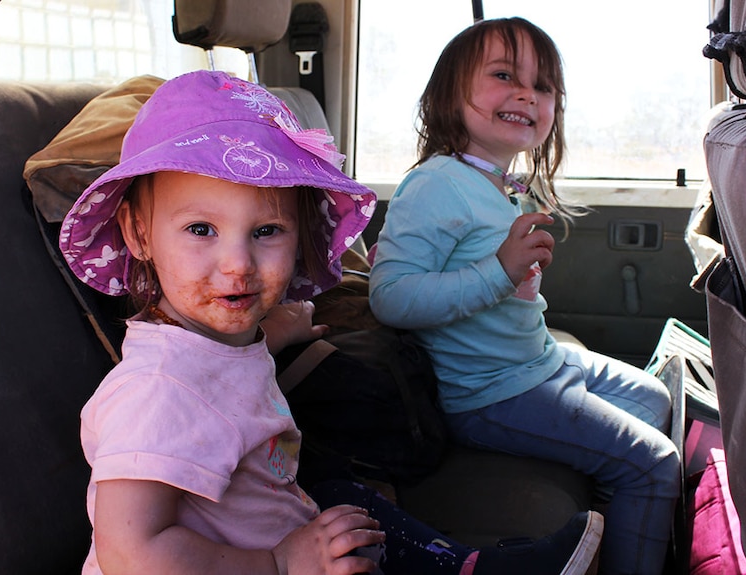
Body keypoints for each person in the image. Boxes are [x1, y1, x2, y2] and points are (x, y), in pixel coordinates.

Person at [60, 70, 603, 575]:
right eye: (201, 229)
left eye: (267, 231)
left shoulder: (206, 340)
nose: (238, 264)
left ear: (300, 236)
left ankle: (463, 564)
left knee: (345, 498)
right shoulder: (156, 393)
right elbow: (132, 552)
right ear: (138, 234)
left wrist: (281, 334)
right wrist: (280, 562)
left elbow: (218, 373)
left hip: (269, 528)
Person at [368, 18, 681, 575]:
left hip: (539, 362)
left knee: (655, 398)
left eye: (542, 86)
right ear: (448, 93)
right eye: (503, 75)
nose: (525, 94)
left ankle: (619, 516)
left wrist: (508, 272)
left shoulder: (495, 182)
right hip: (491, 394)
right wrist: (499, 271)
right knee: (655, 465)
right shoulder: (436, 184)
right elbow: (391, 297)